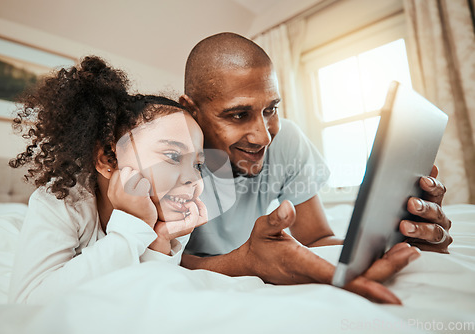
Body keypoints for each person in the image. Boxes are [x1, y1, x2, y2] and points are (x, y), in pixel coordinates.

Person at [179, 32, 452, 304]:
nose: (264, 137)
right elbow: (161, 258)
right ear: (191, 112)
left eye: (271, 109)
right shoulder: (164, 158)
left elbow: (316, 238)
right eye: (239, 115)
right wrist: (244, 262)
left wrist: (400, 238)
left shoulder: (286, 140)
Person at [8, 56, 207, 304]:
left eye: (198, 164)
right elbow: (27, 304)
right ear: (108, 159)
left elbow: (148, 296)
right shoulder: (62, 201)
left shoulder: (171, 213)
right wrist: (133, 230)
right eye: (173, 156)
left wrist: (160, 239)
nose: (194, 180)